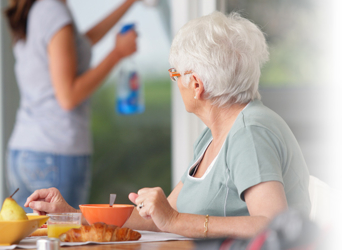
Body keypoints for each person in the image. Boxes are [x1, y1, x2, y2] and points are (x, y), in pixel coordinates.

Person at [24, 12, 311, 238]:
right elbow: (163, 218)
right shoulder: (213, 136)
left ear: (196, 84)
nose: (174, 82)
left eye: (175, 74)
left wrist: (174, 220)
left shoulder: (250, 133)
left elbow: (274, 224)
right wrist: (71, 214)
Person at [4, 0, 158, 212]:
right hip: (55, 152)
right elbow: (68, 96)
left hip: (27, 151)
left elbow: (81, 44)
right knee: (63, 238)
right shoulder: (55, 14)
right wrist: (117, 53)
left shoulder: (42, 8)